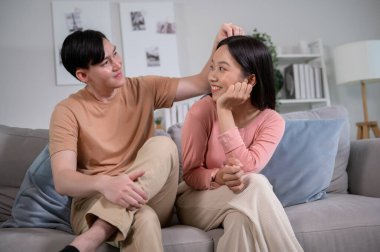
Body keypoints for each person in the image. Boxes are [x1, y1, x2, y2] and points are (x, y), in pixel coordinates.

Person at [49, 23, 244, 252]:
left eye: (115, 54)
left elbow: (201, 83)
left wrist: (218, 44)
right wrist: (106, 183)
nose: (117, 64)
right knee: (145, 219)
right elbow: (63, 180)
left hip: (149, 194)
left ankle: (96, 234)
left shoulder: (144, 88)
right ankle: (104, 222)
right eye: (105, 63)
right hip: (95, 204)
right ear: (83, 75)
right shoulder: (67, 111)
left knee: (163, 144)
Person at [176, 35, 304, 252]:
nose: (212, 77)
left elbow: (247, 166)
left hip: (240, 199)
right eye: (212, 67)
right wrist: (217, 176)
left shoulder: (272, 121)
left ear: (251, 80)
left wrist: (224, 111)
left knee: (241, 223)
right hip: (195, 200)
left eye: (222, 69)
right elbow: (190, 174)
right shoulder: (202, 110)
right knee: (256, 182)